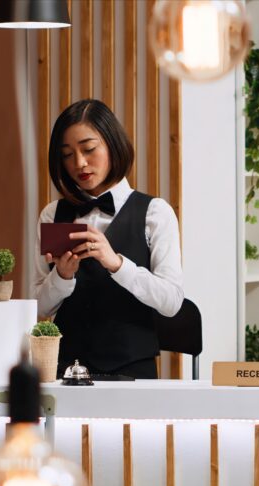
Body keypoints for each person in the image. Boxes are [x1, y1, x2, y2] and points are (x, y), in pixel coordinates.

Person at [33, 99, 184, 379]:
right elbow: (38, 307)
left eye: (89, 149)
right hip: (65, 371)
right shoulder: (52, 214)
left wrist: (117, 264)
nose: (79, 163)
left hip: (133, 373)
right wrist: (62, 277)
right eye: (67, 154)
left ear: (113, 144)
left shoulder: (155, 213)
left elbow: (172, 302)